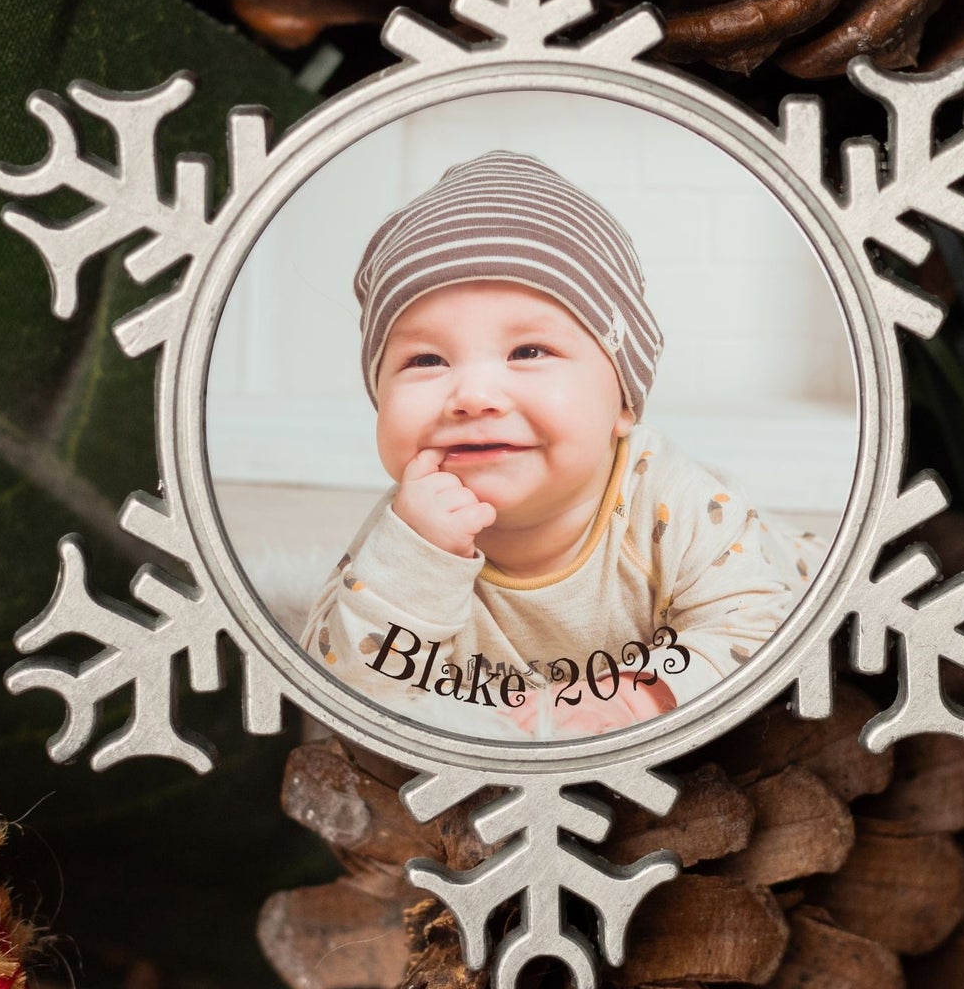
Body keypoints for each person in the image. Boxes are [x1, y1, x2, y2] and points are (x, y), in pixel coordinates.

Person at [299, 150, 826, 739]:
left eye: (528, 352)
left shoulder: (676, 501)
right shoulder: (406, 534)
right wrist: (418, 562)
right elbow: (340, 681)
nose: (473, 395)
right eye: (426, 359)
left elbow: (766, 624)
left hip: (794, 567)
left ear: (623, 402)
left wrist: (641, 697)